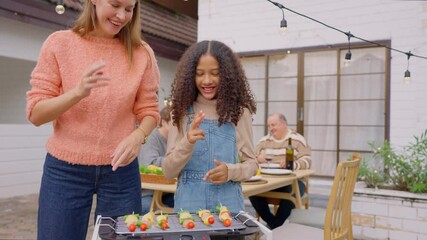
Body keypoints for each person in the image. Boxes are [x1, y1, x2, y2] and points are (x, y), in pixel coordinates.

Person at [26, 0, 160, 239]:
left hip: (121, 171)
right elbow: (36, 114)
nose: (121, 15)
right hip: (65, 170)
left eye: (129, 9)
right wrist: (78, 92)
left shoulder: (142, 53)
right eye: (115, 4)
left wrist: (138, 136)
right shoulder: (59, 43)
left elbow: (149, 110)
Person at [161, 40, 258, 215]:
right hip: (188, 212)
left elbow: (252, 165)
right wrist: (187, 142)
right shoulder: (180, 111)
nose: (207, 80)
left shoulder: (239, 113)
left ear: (228, 75)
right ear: (191, 75)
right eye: (199, 74)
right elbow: (168, 171)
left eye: (215, 73)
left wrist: (230, 171)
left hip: (230, 211)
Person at [249, 112, 312, 229]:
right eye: (269, 126)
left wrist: (292, 164)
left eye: (273, 125)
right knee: (253, 193)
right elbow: (252, 158)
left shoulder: (297, 139)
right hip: (269, 182)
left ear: (284, 124)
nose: (271, 128)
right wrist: (258, 158)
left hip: (292, 182)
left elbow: (307, 160)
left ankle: (271, 227)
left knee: (291, 195)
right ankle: (273, 224)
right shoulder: (264, 141)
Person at [139, 106, 174, 213]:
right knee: (156, 215)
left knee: (187, 205)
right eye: (175, 124)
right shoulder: (151, 138)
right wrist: (175, 160)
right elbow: (150, 164)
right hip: (147, 194)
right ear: (164, 122)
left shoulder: (176, 138)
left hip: (167, 192)